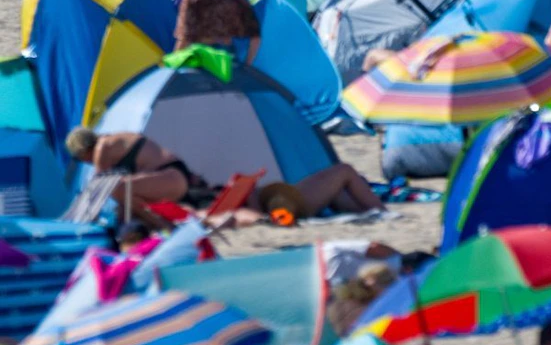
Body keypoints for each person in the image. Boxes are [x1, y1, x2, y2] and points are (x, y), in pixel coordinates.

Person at [65, 127, 381, 220]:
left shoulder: (103, 147)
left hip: (172, 179)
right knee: (342, 174)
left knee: (340, 182)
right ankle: (375, 211)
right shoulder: (113, 138)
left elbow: (100, 183)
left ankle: (376, 211)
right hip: (282, 202)